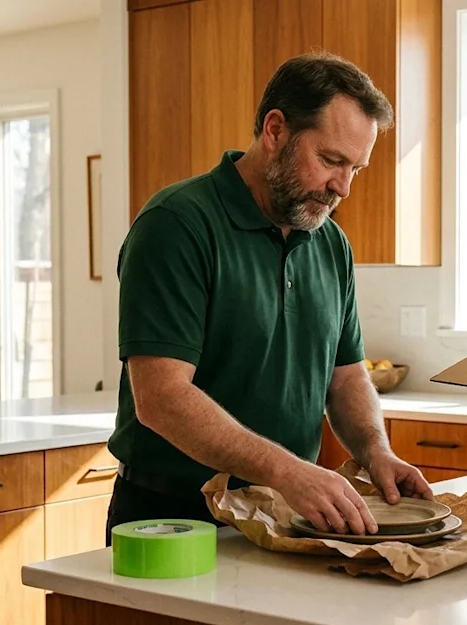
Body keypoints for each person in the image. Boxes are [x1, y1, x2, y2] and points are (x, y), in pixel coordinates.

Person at [105, 51, 433, 545]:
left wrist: (376, 451)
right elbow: (162, 398)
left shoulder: (330, 242)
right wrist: (287, 470)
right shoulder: (177, 225)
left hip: (285, 514)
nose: (342, 187)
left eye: (356, 169)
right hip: (174, 519)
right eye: (330, 160)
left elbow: (345, 377)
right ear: (275, 130)